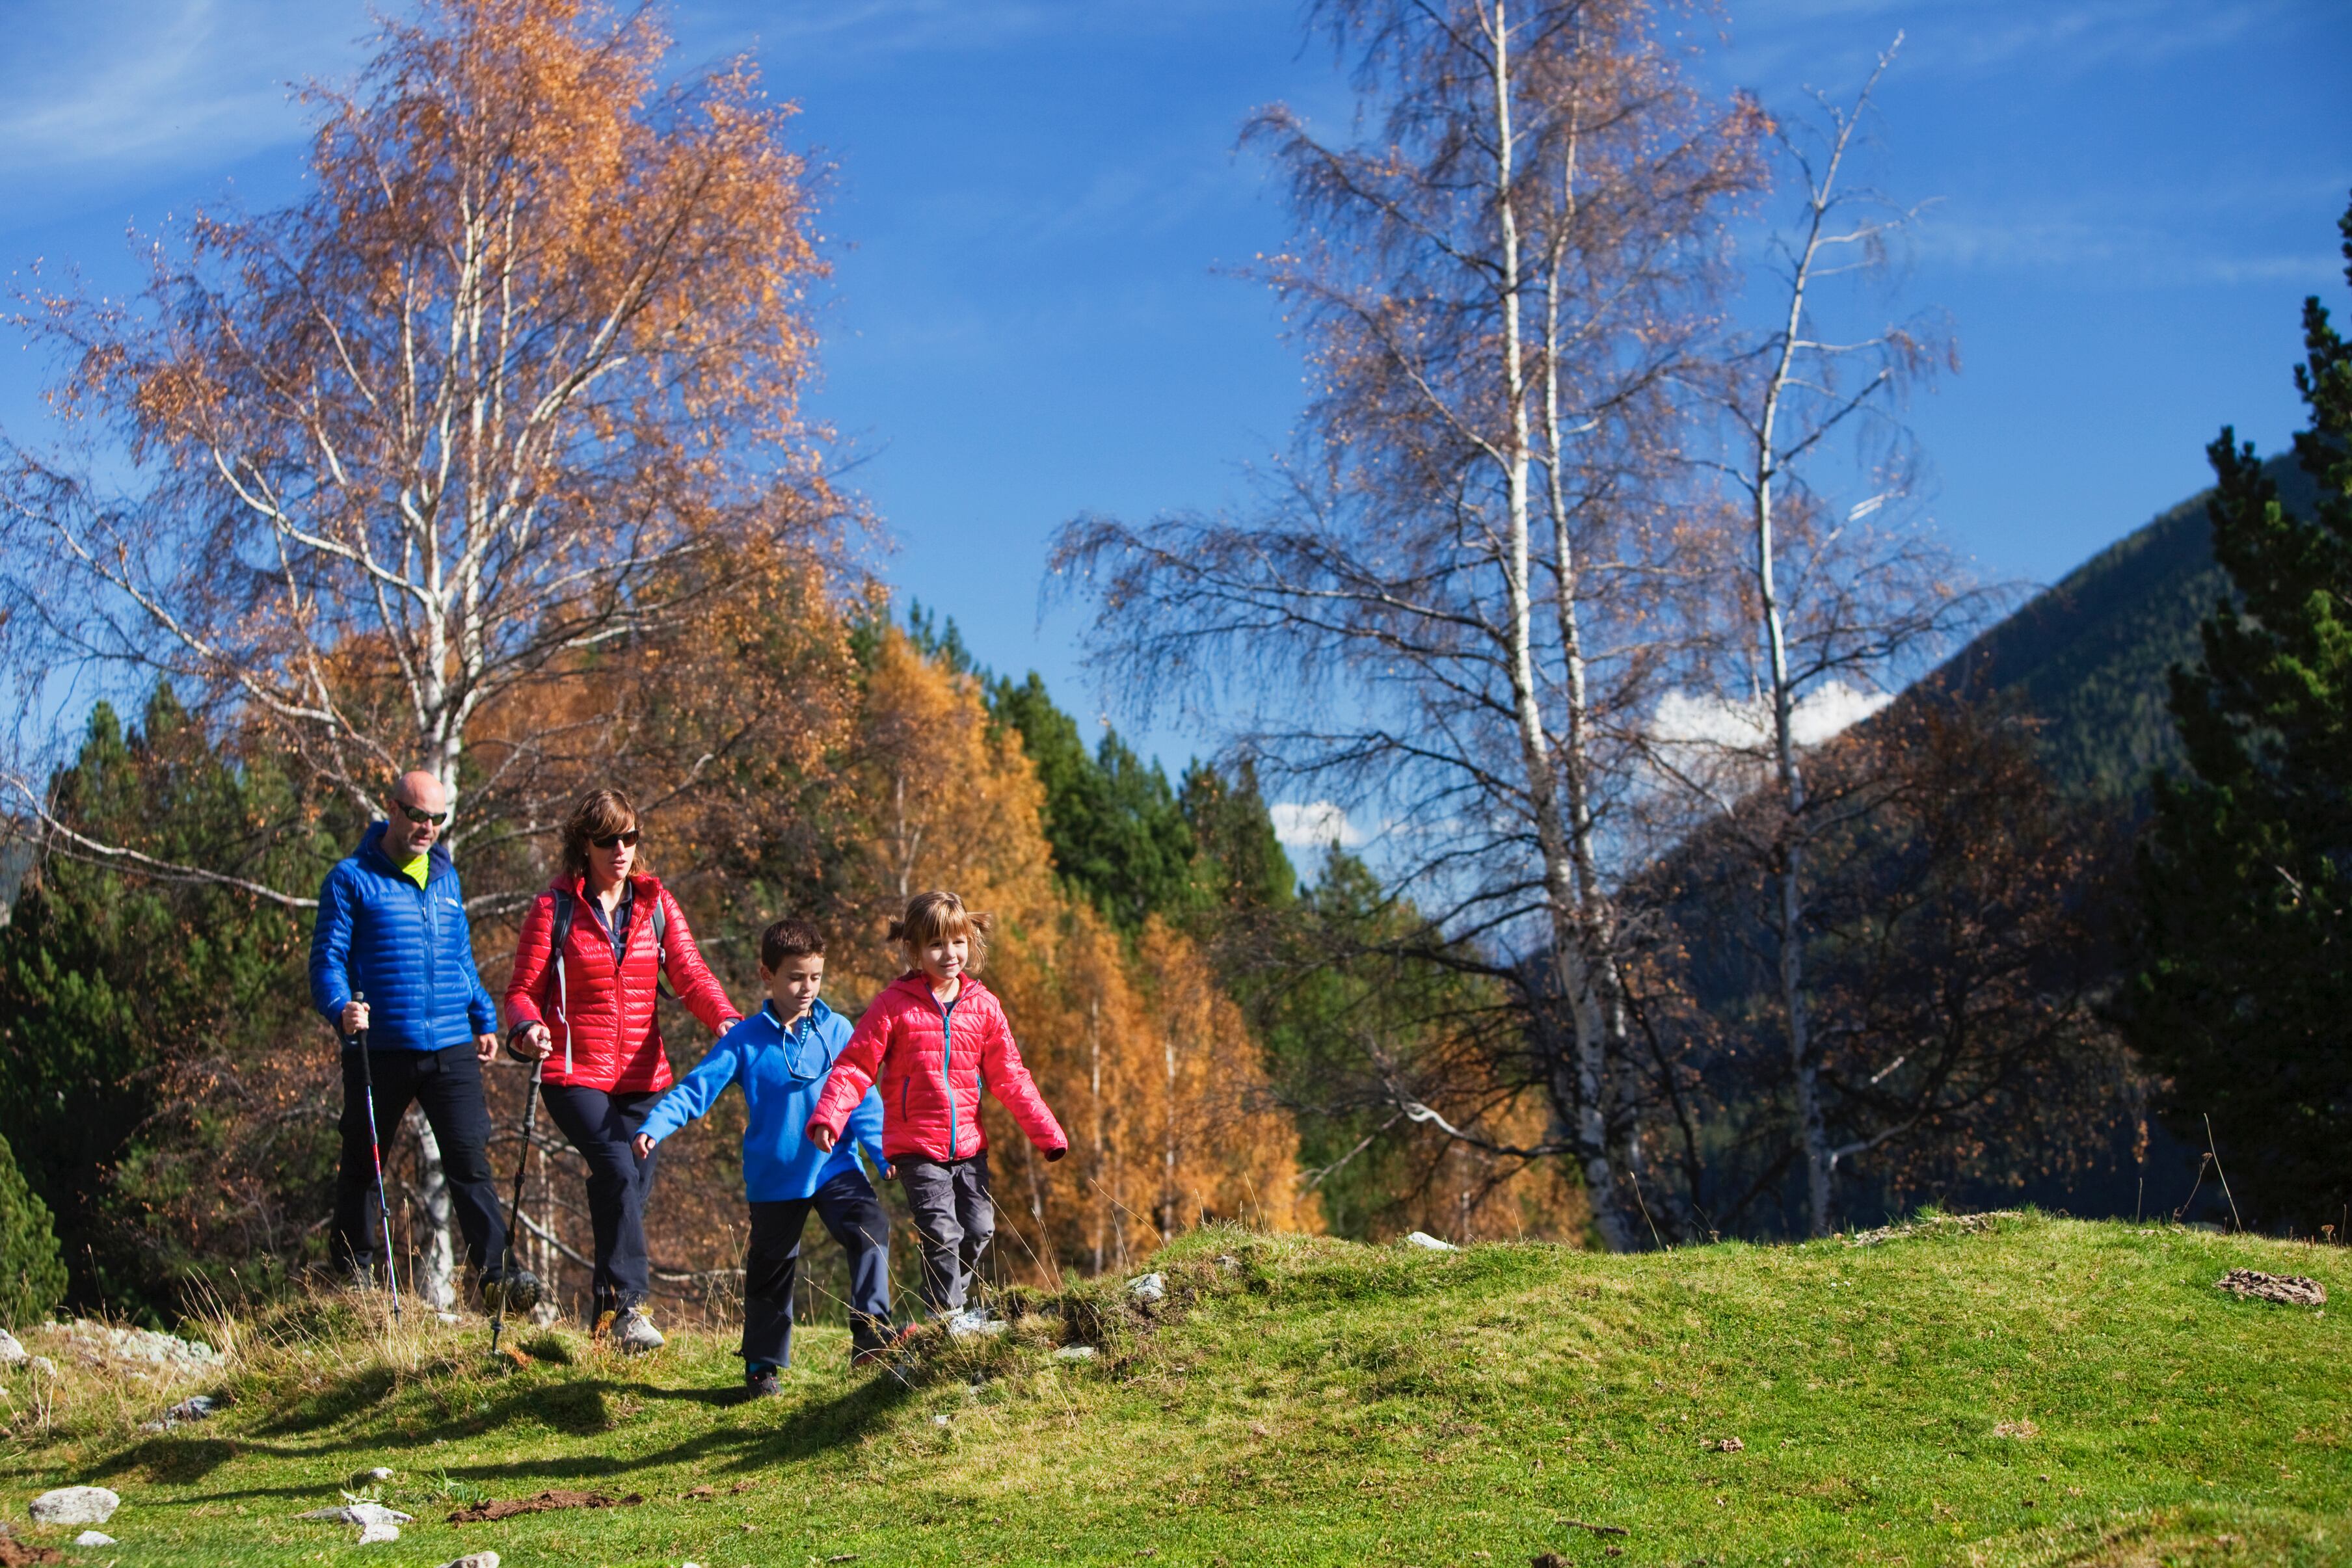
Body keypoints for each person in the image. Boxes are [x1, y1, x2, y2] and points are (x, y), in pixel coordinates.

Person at [503, 788, 740, 1352]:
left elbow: (691, 975)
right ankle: (632, 1309)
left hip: (645, 1077)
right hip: (572, 1071)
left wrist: (726, 1020)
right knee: (614, 1166)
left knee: (629, 1189)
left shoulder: (656, 904)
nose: (620, 849)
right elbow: (520, 993)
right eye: (608, 839)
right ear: (583, 843)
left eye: (629, 838)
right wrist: (526, 1028)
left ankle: (605, 1324)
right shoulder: (554, 908)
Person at [631, 917, 895, 1394]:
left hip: (834, 1165)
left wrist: (882, 1151)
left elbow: (863, 1098)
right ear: (765, 975)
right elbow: (696, 1090)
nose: (806, 987)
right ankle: (761, 1367)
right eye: (795, 977)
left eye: (815, 976)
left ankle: (872, 1334)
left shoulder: (838, 1031)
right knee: (771, 1273)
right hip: (776, 1177)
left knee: (871, 1228)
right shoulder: (745, 1040)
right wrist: (655, 1126)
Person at [309, 770, 537, 1312]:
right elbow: (327, 960)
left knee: (469, 1160)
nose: (427, 827)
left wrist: (483, 1016)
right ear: (392, 808)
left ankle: (498, 1275)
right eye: (417, 814)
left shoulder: (446, 878)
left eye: (437, 818)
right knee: (364, 1159)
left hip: (451, 1044)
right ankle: (353, 1274)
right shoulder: (351, 878)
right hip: (379, 1044)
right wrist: (341, 1007)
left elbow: (460, 958)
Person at [806, 890, 1067, 1326]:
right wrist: (830, 1115)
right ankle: (948, 1319)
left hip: (969, 1143)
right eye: (937, 944)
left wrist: (1047, 1133)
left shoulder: (983, 1006)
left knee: (979, 1227)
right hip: (916, 1146)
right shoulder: (894, 1005)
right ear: (914, 949)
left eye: (958, 941)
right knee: (942, 1232)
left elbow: (1010, 1076)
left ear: (971, 940)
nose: (950, 954)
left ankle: (942, 1305)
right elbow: (855, 1065)